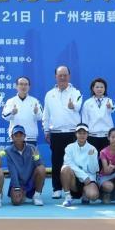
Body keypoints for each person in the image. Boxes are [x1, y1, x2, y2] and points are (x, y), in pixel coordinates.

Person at [43, 66, 82, 198]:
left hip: (72, 132)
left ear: (69, 76)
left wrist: (72, 106)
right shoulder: (49, 94)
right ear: (56, 76)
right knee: (57, 161)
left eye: (65, 75)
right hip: (56, 133)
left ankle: (74, 188)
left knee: (74, 161)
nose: (63, 77)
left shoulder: (76, 92)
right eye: (60, 75)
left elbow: (78, 106)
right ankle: (57, 188)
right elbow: (46, 114)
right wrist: (46, 130)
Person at [3, 125, 47, 207]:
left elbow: (40, 165)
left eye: (21, 135)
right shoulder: (8, 150)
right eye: (16, 135)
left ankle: (37, 195)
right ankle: (24, 193)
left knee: (41, 169)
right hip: (18, 182)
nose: (18, 137)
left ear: (24, 136)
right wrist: (17, 187)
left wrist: (37, 158)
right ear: (12, 137)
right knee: (16, 202)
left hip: (31, 180)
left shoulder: (32, 148)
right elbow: (12, 171)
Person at [60, 124, 100, 207]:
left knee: (93, 196)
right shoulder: (69, 147)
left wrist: (91, 157)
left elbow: (94, 170)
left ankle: (85, 194)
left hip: (89, 179)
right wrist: (83, 176)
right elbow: (68, 163)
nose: (82, 135)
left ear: (87, 134)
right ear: (76, 134)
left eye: (84, 133)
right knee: (65, 168)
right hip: (75, 179)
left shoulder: (93, 149)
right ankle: (68, 197)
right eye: (79, 133)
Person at [2, 77, 43, 149]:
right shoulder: (10, 101)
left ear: (29, 87)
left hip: (30, 138)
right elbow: (4, 116)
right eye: (21, 84)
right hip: (15, 137)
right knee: (14, 156)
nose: (23, 86)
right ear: (16, 86)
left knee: (31, 156)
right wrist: (12, 113)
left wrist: (36, 112)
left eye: (26, 84)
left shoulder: (35, 101)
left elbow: (41, 117)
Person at [81, 78, 115, 157]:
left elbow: (112, 109)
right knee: (92, 158)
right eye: (97, 87)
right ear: (93, 88)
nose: (99, 89)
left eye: (101, 87)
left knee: (106, 159)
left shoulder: (109, 101)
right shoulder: (87, 103)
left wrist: (109, 107)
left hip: (106, 136)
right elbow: (84, 120)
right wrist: (85, 134)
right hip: (92, 136)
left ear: (105, 89)